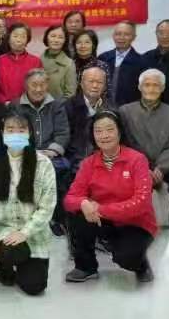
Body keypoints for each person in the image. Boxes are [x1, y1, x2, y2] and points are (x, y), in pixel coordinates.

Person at [64, 111, 157, 283]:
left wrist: (100, 209)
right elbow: (70, 198)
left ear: (120, 132)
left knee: (126, 258)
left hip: (135, 223)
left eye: (109, 129)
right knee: (77, 212)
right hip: (104, 220)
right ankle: (85, 266)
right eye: (98, 131)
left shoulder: (137, 160)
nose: (104, 135)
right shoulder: (89, 163)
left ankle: (142, 265)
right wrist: (83, 202)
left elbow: (141, 202)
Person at [0, 110, 57, 295]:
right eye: (10, 129)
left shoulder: (43, 164)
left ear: (30, 133)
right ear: (2, 132)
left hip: (34, 233)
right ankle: (5, 264)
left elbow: (47, 206)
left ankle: (25, 264)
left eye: (21, 130)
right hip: (5, 230)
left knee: (34, 287)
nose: (15, 134)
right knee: (10, 252)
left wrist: (24, 232)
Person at [119, 69, 169, 226]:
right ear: (139, 87)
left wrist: (161, 168)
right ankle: (130, 220)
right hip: (134, 164)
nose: (151, 89)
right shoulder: (125, 112)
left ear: (162, 88)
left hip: (165, 164)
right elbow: (124, 143)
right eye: (147, 85)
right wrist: (143, 167)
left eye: (156, 85)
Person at [10, 69, 70, 235]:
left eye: (42, 85)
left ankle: (55, 217)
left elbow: (63, 133)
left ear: (47, 85)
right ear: (26, 86)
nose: (38, 89)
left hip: (51, 154)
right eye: (34, 85)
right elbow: (14, 134)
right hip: (24, 153)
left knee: (59, 173)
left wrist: (51, 151)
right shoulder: (15, 106)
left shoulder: (57, 105)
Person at [65, 67, 115, 172]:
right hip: (74, 163)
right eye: (91, 81)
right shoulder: (68, 107)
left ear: (105, 86)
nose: (95, 86)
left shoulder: (112, 109)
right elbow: (66, 140)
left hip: (103, 162)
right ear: (81, 84)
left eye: (100, 82)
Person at [0, 22, 42, 104]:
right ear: (9, 38)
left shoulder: (36, 61)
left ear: (27, 40)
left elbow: (39, 87)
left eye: (23, 37)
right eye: (15, 36)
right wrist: (3, 101)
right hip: (4, 106)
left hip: (28, 106)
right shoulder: (0, 60)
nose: (18, 40)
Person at [98, 21, 144, 107]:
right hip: (103, 107)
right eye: (118, 34)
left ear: (134, 37)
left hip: (129, 109)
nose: (121, 38)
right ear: (113, 36)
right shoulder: (103, 58)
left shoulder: (141, 62)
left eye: (126, 34)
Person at [41, 25, 77, 99]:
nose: (56, 40)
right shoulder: (38, 60)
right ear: (46, 37)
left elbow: (70, 94)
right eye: (53, 36)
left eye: (60, 37)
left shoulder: (69, 63)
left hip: (60, 105)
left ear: (65, 41)